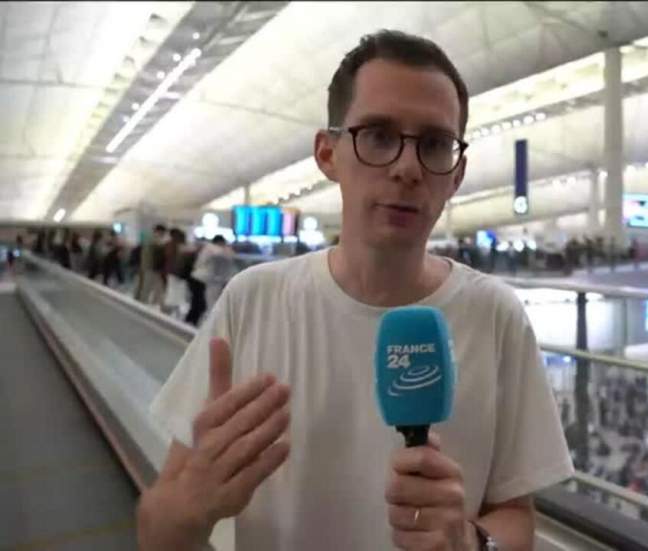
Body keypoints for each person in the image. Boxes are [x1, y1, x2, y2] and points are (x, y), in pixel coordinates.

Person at [140, 30, 572, 551]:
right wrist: (192, 506)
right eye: (378, 135)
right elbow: (155, 529)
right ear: (328, 153)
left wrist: (473, 543)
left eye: (434, 144)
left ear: (456, 174)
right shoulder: (253, 301)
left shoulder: (494, 314)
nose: (408, 168)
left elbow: (515, 517)